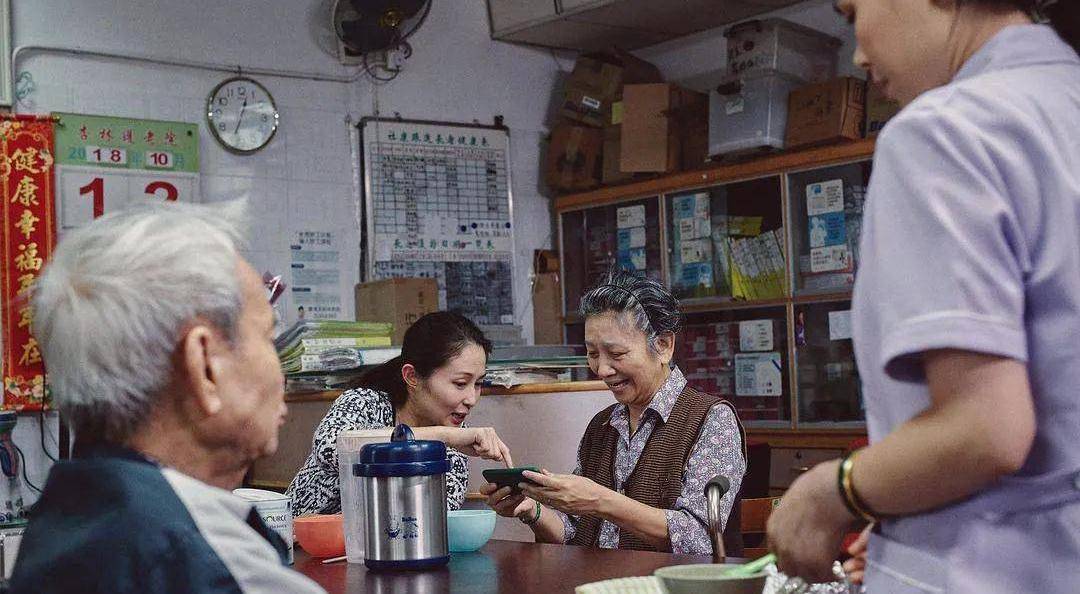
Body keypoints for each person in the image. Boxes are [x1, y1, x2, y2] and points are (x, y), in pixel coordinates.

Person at [766, 1, 1080, 592]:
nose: (857, 53)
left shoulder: (944, 130)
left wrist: (833, 491)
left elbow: (985, 428)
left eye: (853, 10)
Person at [9, 202, 325, 594]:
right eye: (267, 335)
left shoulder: (64, 519)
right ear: (204, 365)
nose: (281, 373)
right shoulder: (214, 569)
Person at [484, 270, 746, 555]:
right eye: (593, 354)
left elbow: (700, 539)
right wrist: (532, 509)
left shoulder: (712, 419)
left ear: (664, 345)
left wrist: (598, 500)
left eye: (617, 354)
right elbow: (574, 533)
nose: (602, 370)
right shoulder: (603, 424)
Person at [288, 311, 512, 516]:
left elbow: (432, 516)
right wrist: (444, 437)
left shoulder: (455, 439)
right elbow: (332, 448)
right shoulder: (365, 402)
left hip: (383, 553)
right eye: (460, 383)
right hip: (296, 549)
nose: (472, 399)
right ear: (412, 376)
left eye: (479, 384)